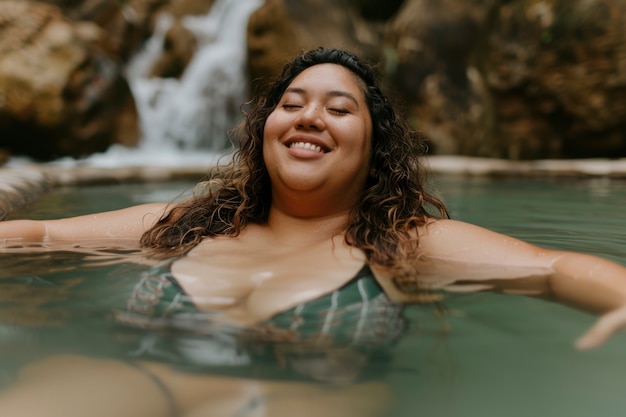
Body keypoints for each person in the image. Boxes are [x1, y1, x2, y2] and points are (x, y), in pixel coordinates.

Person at [1, 47, 626, 416]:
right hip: (147, 380)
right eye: (293, 102)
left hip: (309, 399)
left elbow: (551, 269)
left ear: (374, 144)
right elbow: (42, 238)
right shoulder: (187, 221)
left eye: (339, 107)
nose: (310, 117)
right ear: (266, 127)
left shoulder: (403, 242)